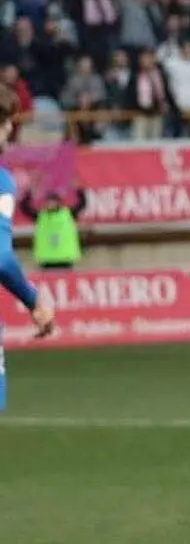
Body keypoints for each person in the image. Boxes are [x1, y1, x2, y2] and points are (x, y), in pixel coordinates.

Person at [0, 85, 56, 410]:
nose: (10, 130)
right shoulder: (2, 181)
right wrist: (33, 301)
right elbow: (1, 258)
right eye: (6, 121)